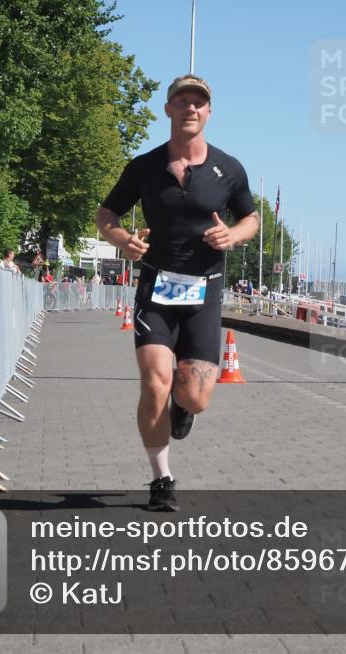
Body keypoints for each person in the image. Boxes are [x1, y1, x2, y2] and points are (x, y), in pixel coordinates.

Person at [96, 74, 258, 511]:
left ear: (208, 113)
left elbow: (251, 218)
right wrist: (120, 239)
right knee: (155, 383)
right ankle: (162, 479)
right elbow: (107, 212)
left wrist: (234, 237)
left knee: (195, 395)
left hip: (204, 291)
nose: (190, 108)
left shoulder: (229, 168)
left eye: (198, 103)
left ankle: (182, 410)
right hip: (156, 286)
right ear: (167, 109)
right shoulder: (145, 166)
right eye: (182, 101)